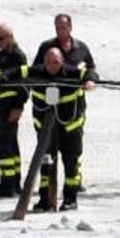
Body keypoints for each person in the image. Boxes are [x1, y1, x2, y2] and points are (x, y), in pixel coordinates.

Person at [0, 47, 98, 211]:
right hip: (45, 130)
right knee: (46, 163)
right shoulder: (37, 71)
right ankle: (45, 199)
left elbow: (90, 73)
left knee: (71, 165)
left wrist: (90, 82)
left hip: (70, 129)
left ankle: (70, 199)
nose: (51, 66)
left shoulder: (72, 72)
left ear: (62, 62)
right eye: (47, 62)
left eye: (55, 62)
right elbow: (14, 72)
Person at [31, 14, 96, 197]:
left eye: (64, 27)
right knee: (47, 153)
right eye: (57, 27)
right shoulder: (46, 47)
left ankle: (73, 186)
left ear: (70, 28)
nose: (61, 31)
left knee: (73, 151)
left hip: (73, 108)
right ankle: (47, 193)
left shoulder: (81, 48)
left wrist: (89, 80)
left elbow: (91, 69)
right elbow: (35, 71)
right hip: (47, 110)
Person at [0, 23, 28, 198]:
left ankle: (8, 184)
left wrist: (19, 106)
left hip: (11, 107)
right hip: (1, 106)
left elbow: (24, 84)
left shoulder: (17, 56)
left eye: (1, 38)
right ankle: (13, 182)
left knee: (4, 147)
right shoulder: (2, 55)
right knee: (10, 145)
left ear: (10, 37)